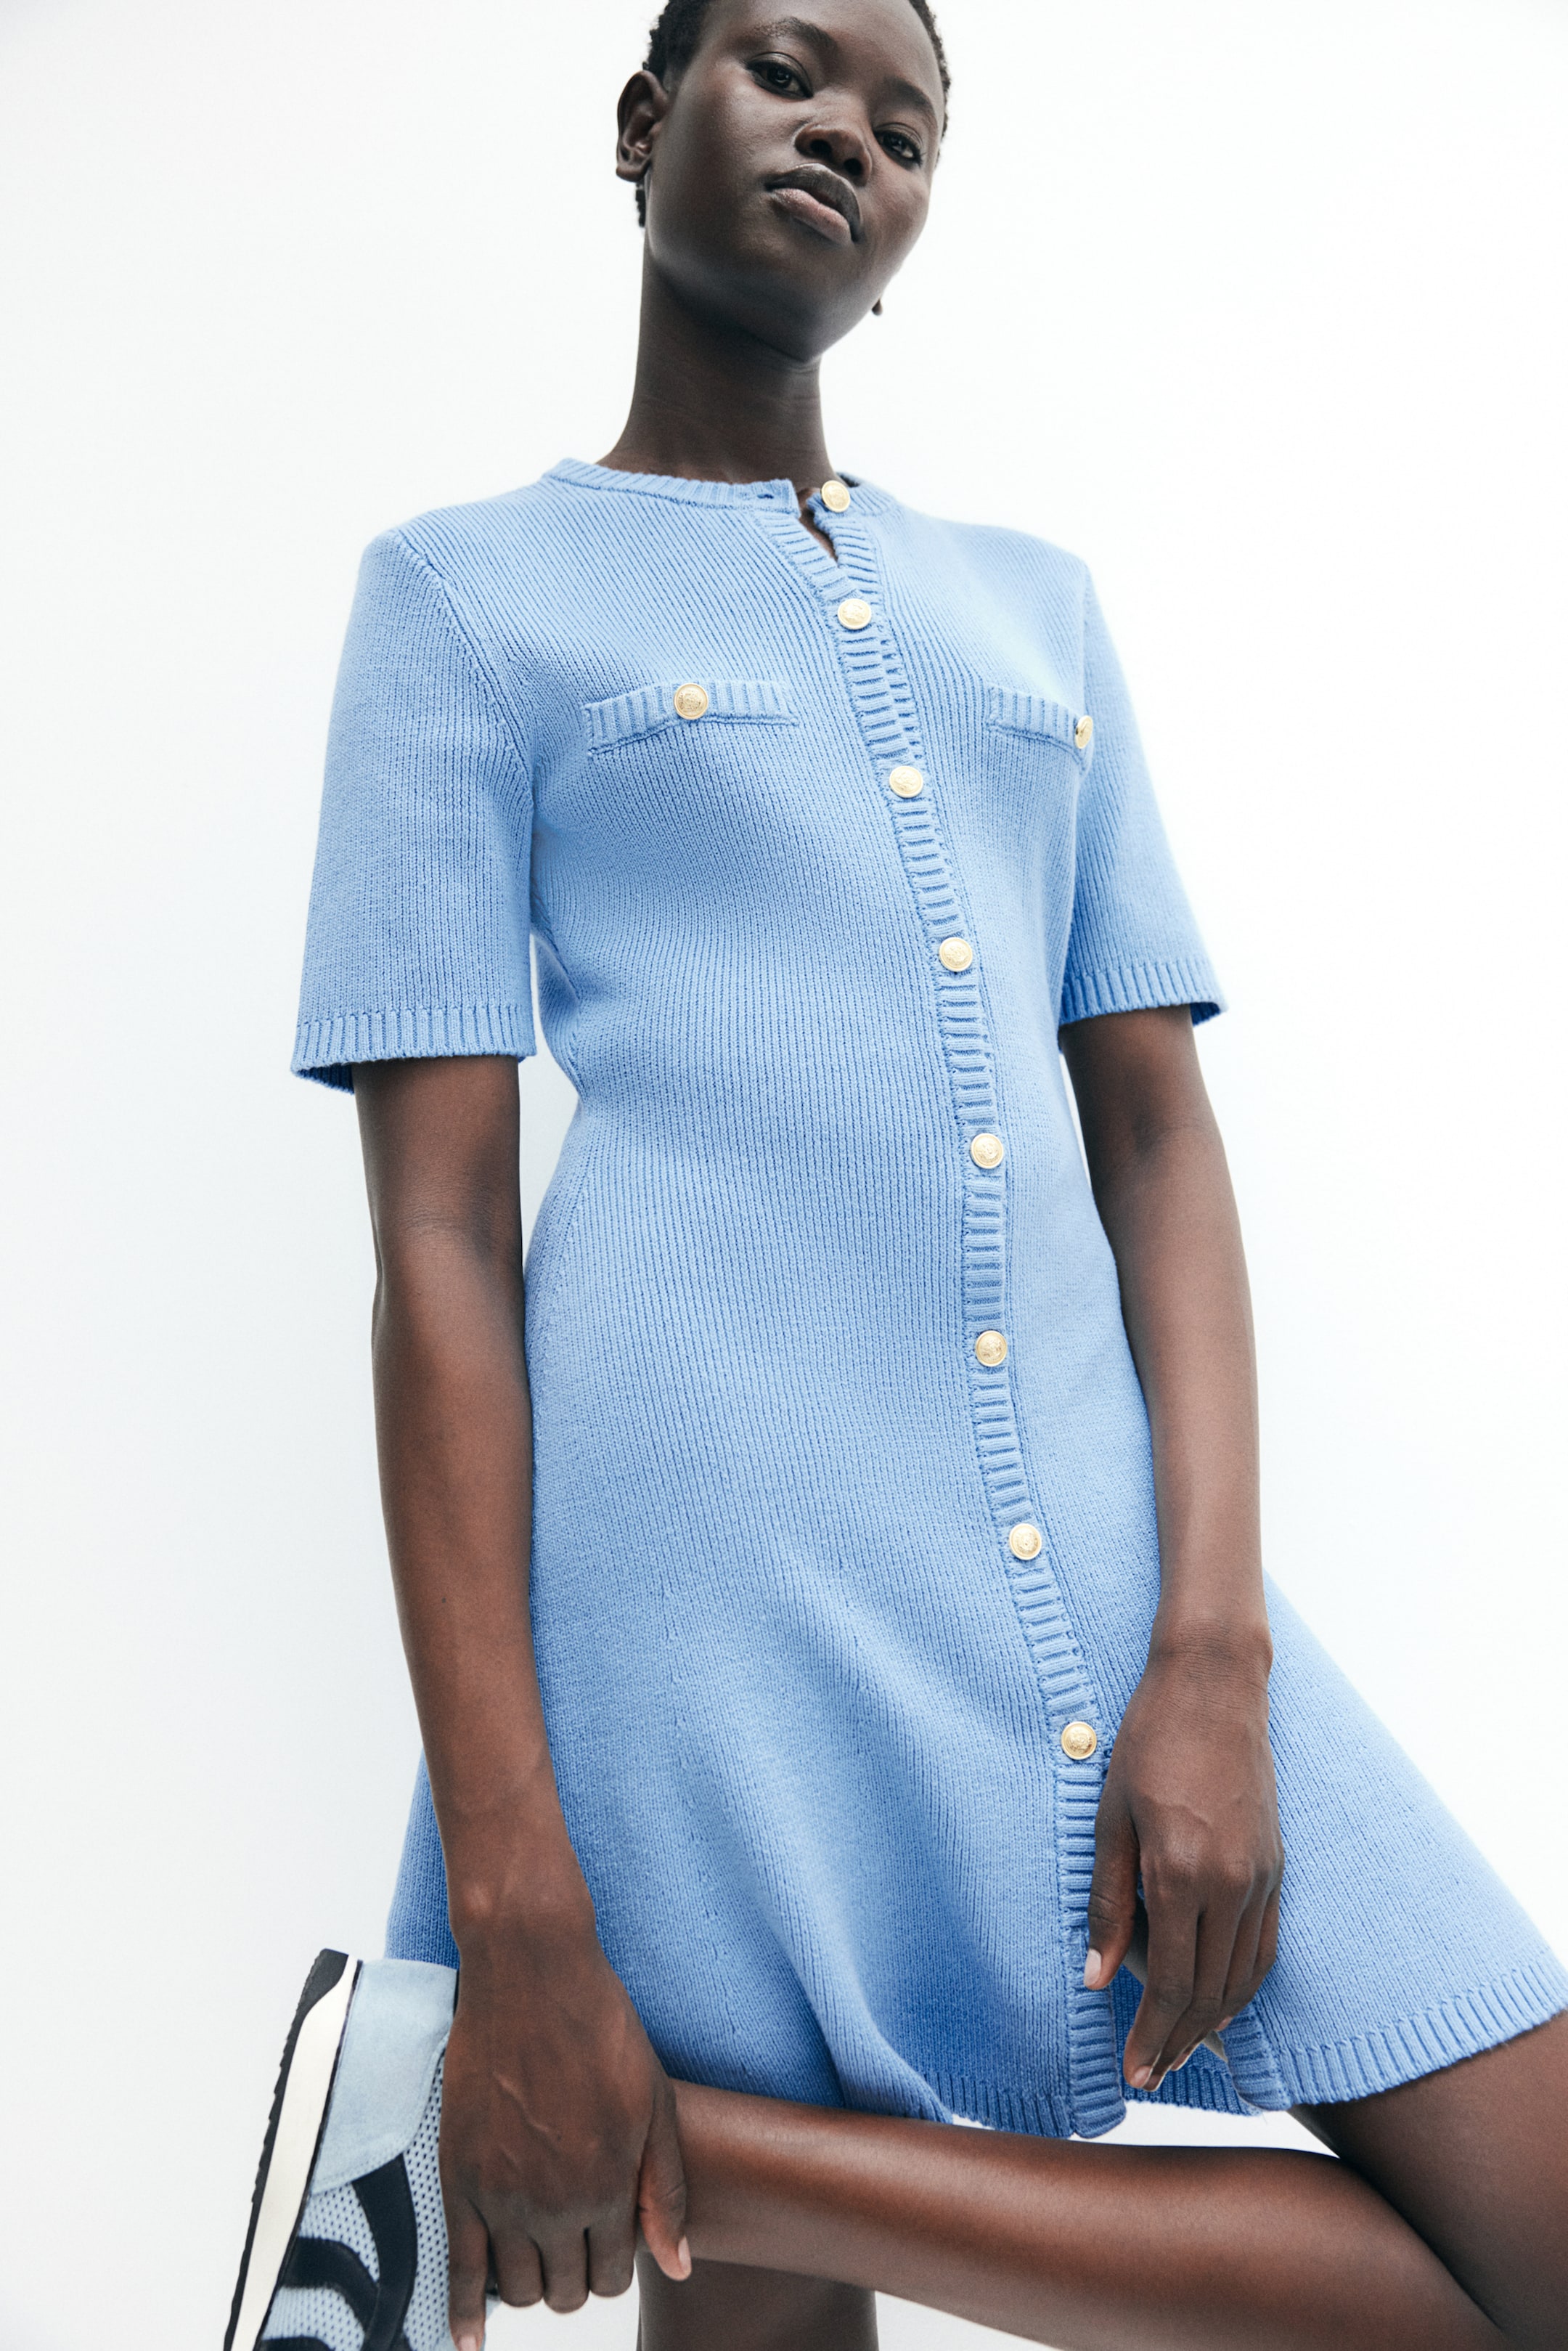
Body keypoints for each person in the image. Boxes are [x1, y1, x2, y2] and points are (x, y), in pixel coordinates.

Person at [285, 1, 1568, 2344]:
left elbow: (1158, 1141)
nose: (847, 139)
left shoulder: (1037, 607)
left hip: (1099, 1539)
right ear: (643, 120)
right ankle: (665, 2145)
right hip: (702, 1573)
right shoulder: (466, 597)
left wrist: (1213, 1646)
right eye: (788, 72)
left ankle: (697, 2155)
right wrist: (517, 1897)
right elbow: (440, 1239)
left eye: (907, 128)